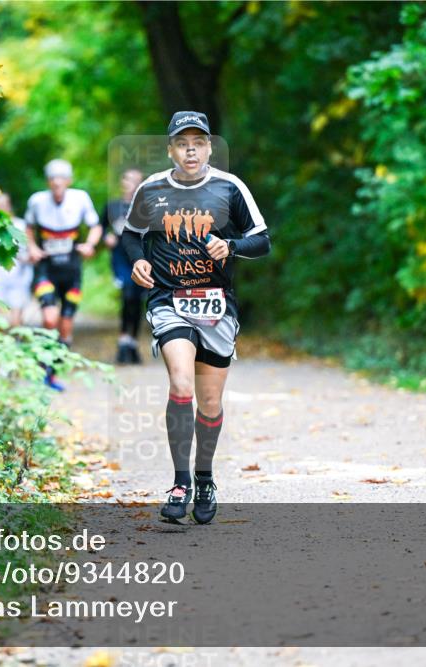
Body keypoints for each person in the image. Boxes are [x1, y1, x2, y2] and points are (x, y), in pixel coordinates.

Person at [121, 111, 271, 524]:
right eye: (182, 142)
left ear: (208, 147)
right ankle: (181, 481)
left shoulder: (230, 187)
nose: (191, 149)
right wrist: (138, 263)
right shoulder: (151, 189)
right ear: (171, 149)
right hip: (169, 299)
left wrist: (232, 245)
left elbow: (262, 241)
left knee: (209, 403)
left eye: (198, 142)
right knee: (182, 383)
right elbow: (131, 235)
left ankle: (204, 476)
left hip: (217, 303)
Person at [24, 159, 102, 391]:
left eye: (61, 179)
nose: (57, 183)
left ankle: (52, 371)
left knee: (65, 324)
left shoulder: (80, 198)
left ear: (68, 181)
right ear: (48, 182)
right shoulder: (37, 201)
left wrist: (89, 244)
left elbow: (96, 226)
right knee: (49, 319)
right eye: (52, 179)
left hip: (71, 269)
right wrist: (32, 247)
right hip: (46, 269)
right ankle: (42, 364)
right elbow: (28, 227)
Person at [102, 168, 146, 364]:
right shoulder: (112, 207)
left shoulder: (146, 207)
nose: (132, 183)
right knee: (128, 294)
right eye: (128, 179)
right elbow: (99, 226)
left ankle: (132, 342)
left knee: (137, 299)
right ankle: (123, 340)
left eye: (136, 180)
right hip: (120, 257)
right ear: (122, 182)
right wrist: (106, 237)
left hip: (141, 257)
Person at [0, 192, 33, 327]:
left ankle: (16, 344)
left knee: (15, 318)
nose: (0, 209)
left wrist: (23, 257)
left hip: (19, 276)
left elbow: (30, 250)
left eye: (3, 205)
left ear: (9, 206)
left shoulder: (21, 226)